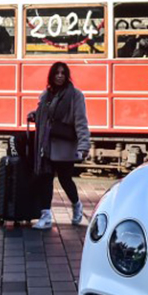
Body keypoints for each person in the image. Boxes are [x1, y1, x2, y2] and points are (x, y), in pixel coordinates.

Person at [28, 61, 90, 229]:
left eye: (63, 73)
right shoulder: (45, 95)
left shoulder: (75, 95)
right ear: (52, 75)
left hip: (64, 145)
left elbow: (81, 121)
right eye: (57, 73)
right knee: (45, 178)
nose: (60, 75)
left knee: (65, 179)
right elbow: (44, 114)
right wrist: (35, 114)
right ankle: (46, 216)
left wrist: (84, 145)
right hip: (46, 145)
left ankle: (77, 205)